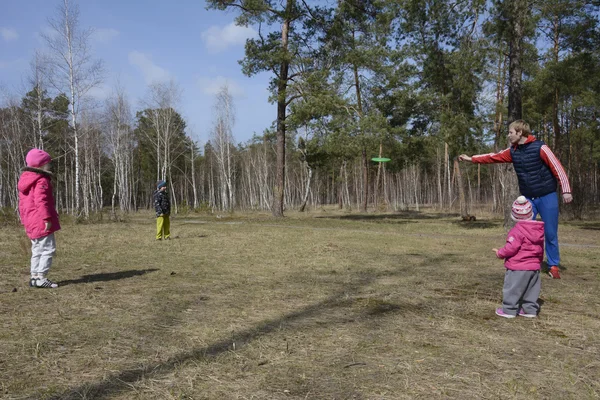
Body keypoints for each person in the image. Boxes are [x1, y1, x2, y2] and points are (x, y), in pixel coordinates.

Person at [459, 119, 573, 279]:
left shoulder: (541, 147)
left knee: (550, 232)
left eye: (511, 132)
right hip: (528, 198)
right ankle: (523, 261)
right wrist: (472, 159)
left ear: (520, 133)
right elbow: (493, 157)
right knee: (522, 230)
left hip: (547, 195)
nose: (508, 135)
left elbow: (557, 167)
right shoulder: (513, 151)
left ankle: (553, 265)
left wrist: (566, 190)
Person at [493, 196, 544, 318]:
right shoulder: (538, 230)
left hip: (518, 267)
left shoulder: (517, 231)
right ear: (531, 213)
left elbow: (511, 248)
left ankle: (509, 310)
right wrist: (539, 262)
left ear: (515, 216)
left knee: (512, 288)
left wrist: (500, 253)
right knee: (531, 289)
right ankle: (529, 309)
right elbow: (541, 249)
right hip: (534, 267)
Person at [18, 149, 61, 288]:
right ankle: (41, 277)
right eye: (47, 163)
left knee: (36, 249)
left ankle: (34, 277)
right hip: (40, 220)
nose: (49, 165)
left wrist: (25, 221)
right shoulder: (41, 180)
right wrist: (47, 218)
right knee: (48, 249)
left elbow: (23, 205)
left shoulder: (26, 179)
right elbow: (41, 201)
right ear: (41, 165)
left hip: (31, 221)